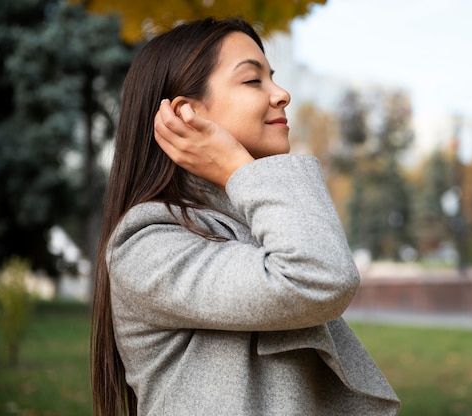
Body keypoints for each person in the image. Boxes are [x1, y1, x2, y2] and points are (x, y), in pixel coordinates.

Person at [90, 16, 400, 416]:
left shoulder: (260, 223)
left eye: (273, 77)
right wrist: (239, 167)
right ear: (186, 115)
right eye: (254, 81)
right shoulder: (147, 243)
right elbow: (319, 276)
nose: (282, 94)